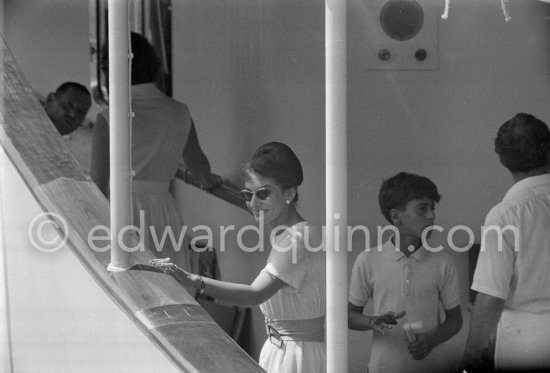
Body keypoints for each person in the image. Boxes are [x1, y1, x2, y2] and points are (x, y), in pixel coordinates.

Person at [151, 142, 326, 373]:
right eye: (248, 194)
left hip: (298, 358)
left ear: (289, 193)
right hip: (283, 350)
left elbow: (255, 294)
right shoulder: (291, 236)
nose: (253, 203)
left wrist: (194, 280)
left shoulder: (298, 239)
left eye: (263, 193)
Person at [90, 32, 217, 270]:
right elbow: (201, 172)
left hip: (120, 212)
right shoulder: (179, 112)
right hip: (164, 210)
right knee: (168, 282)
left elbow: (96, 185)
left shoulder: (109, 118)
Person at [348, 172, 462, 373]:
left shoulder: (443, 262)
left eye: (432, 208)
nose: (431, 216)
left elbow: (455, 320)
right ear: (395, 217)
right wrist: (372, 321)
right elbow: (349, 316)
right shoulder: (368, 260)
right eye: (422, 209)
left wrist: (431, 341)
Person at [463, 113, 550, 372]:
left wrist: (470, 357)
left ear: (502, 159)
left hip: (527, 345)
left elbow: (490, 298)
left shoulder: (506, 214)